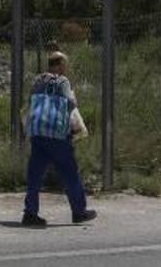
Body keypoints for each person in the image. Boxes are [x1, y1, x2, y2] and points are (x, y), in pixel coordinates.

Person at [22, 51, 98, 227]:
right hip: (57, 135)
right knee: (70, 172)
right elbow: (70, 104)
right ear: (61, 64)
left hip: (38, 132)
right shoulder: (63, 82)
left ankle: (30, 213)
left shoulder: (38, 80)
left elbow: (30, 101)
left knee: (35, 174)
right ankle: (79, 211)